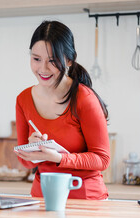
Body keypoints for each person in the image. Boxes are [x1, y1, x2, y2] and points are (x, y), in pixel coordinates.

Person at [14, 20, 110, 200]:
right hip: (42, 197)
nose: (42, 68)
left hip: (84, 198)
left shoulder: (84, 98)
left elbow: (102, 160)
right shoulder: (23, 99)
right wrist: (32, 150)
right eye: (36, 59)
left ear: (69, 60)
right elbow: (24, 161)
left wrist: (59, 158)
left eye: (52, 61)